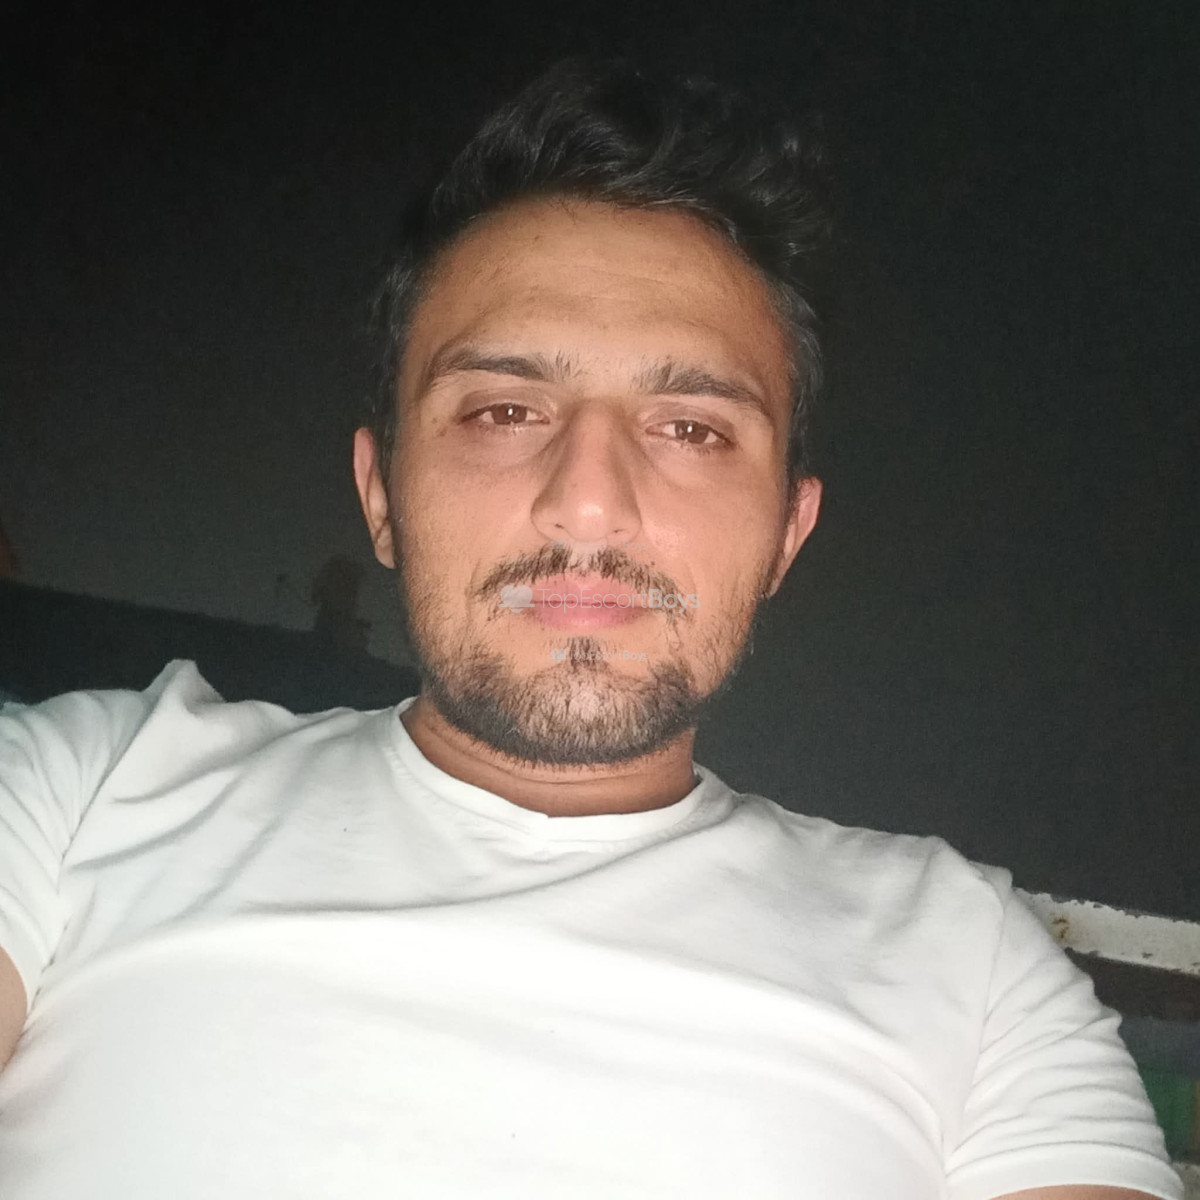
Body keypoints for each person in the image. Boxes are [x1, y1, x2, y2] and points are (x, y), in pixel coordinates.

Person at [0, 58, 1182, 1200]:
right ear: (381, 497)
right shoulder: (85, 788)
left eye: (691, 429)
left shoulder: (966, 957)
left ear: (786, 534)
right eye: (505, 410)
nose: (589, 503)